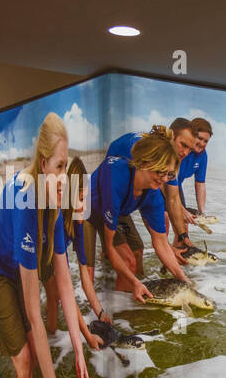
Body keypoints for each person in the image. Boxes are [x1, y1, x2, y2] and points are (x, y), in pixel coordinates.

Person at [0, 113, 94, 378]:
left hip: (22, 268)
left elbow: (65, 284)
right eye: (60, 167)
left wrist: (78, 349)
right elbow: (34, 314)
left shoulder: (54, 205)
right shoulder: (25, 200)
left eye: (66, 167)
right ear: (44, 163)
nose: (64, 177)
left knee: (36, 348)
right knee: (24, 362)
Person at [91, 125, 191, 301]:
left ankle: (133, 298)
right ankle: (121, 314)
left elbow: (160, 242)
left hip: (119, 205)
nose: (163, 179)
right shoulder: (116, 176)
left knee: (137, 251)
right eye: (159, 171)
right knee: (127, 259)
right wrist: (134, 281)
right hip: (88, 208)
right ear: (144, 162)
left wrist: (185, 281)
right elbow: (110, 245)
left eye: (167, 174)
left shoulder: (153, 194)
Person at [104, 121, 197, 278]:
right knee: (126, 256)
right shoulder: (143, 151)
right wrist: (166, 246)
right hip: (107, 196)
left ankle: (135, 294)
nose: (186, 152)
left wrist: (182, 236)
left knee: (137, 252)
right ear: (172, 135)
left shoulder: (168, 164)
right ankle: (112, 285)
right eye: (183, 145)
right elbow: (149, 200)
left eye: (190, 149)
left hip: (125, 199)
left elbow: (173, 198)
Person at [45, 157, 107, 341]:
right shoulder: (57, 224)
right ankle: (51, 343)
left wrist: (101, 312)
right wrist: (88, 336)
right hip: (36, 254)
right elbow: (68, 293)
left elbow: (84, 275)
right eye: (81, 199)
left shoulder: (78, 224)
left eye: (87, 200)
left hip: (49, 255)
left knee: (56, 298)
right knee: (54, 297)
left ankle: (51, 341)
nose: (85, 207)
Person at [163, 117, 214, 259]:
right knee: (165, 218)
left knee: (183, 223)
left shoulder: (203, 156)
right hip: (163, 182)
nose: (203, 144)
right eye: (200, 138)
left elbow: (200, 183)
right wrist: (181, 209)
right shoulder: (182, 149)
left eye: (206, 141)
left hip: (176, 186)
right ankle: (164, 253)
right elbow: (165, 179)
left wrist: (202, 212)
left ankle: (179, 255)